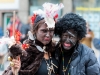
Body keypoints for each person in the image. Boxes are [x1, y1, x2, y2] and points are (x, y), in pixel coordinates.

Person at [2, 2, 63, 75]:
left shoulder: (55, 49)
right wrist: (15, 72)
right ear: (35, 31)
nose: (48, 35)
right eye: (44, 31)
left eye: (51, 31)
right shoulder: (26, 51)